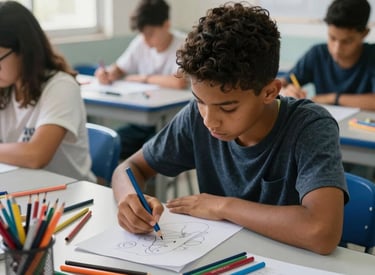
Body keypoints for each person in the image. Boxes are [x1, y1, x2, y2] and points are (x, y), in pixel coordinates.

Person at [112, 2, 348, 255]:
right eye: (200, 101)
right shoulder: (196, 117)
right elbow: (128, 168)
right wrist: (130, 199)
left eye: (228, 108)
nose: (209, 120)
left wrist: (223, 207)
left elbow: (322, 232)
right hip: (223, 256)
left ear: (270, 92)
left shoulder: (310, 126)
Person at [0, 1, 95, 182]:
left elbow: (36, 155)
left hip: (68, 197)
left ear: (24, 50)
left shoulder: (61, 87)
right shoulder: (5, 86)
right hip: (21, 188)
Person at [95, 0, 187, 160]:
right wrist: (108, 73)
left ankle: (151, 183)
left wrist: (144, 78)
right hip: (143, 124)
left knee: (153, 150)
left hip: (172, 124)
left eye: (150, 33)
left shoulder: (184, 44)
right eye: (142, 34)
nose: (146, 39)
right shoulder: (140, 43)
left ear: (166, 25)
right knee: (107, 145)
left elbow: (178, 82)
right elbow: (120, 67)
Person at [280, 0, 375, 110]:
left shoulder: (372, 56)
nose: (336, 49)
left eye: (347, 41)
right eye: (332, 38)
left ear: (365, 34)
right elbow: (283, 82)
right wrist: (285, 90)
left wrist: (332, 98)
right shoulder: (317, 54)